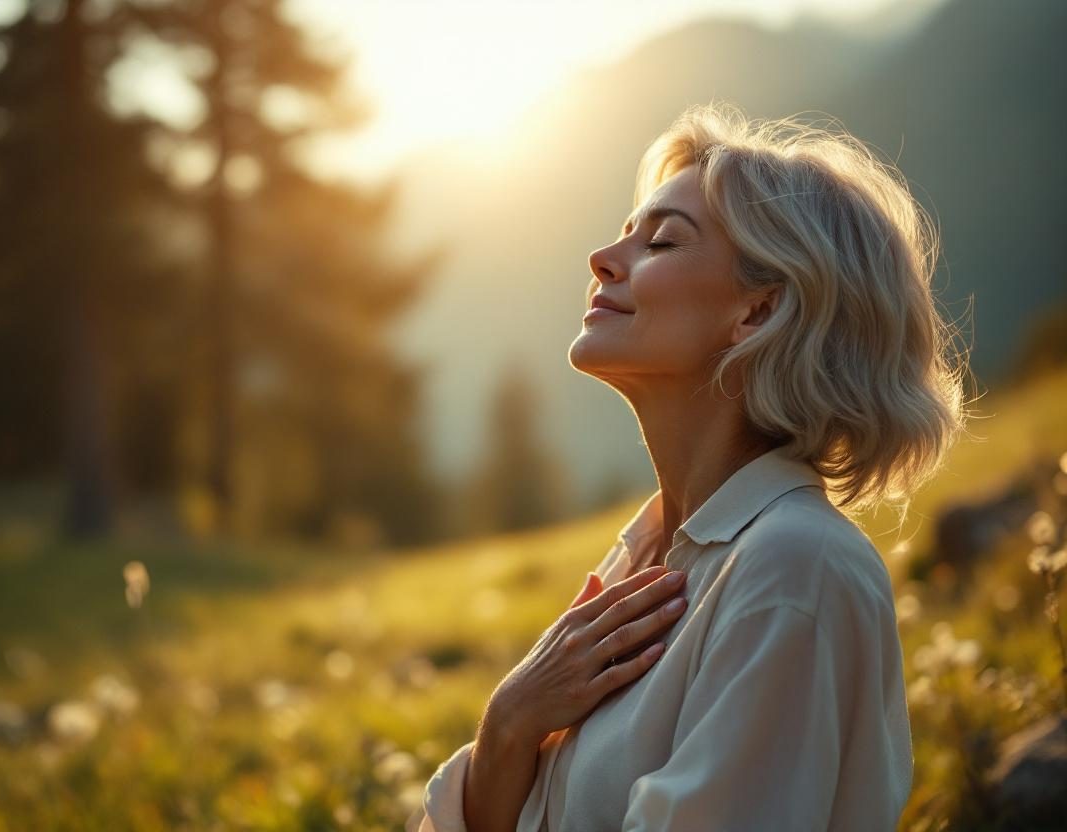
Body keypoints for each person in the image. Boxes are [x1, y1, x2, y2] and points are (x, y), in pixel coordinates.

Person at [405, 100, 971, 832]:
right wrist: (508, 727)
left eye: (663, 242)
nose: (603, 258)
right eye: (626, 231)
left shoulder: (795, 572)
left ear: (758, 313)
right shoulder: (647, 561)